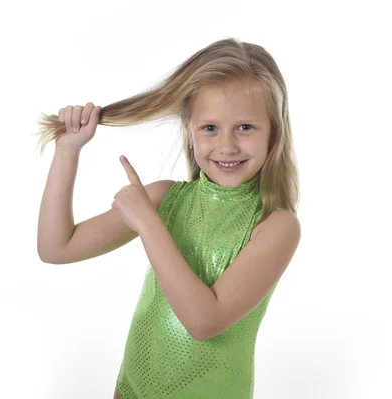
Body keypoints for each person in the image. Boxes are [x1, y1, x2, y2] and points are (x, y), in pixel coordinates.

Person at [35, 37, 301, 399]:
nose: (227, 146)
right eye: (209, 128)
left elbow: (204, 322)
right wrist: (67, 151)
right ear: (189, 132)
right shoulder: (166, 198)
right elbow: (56, 247)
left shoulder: (276, 226)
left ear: (274, 132)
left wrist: (147, 224)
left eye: (245, 127)